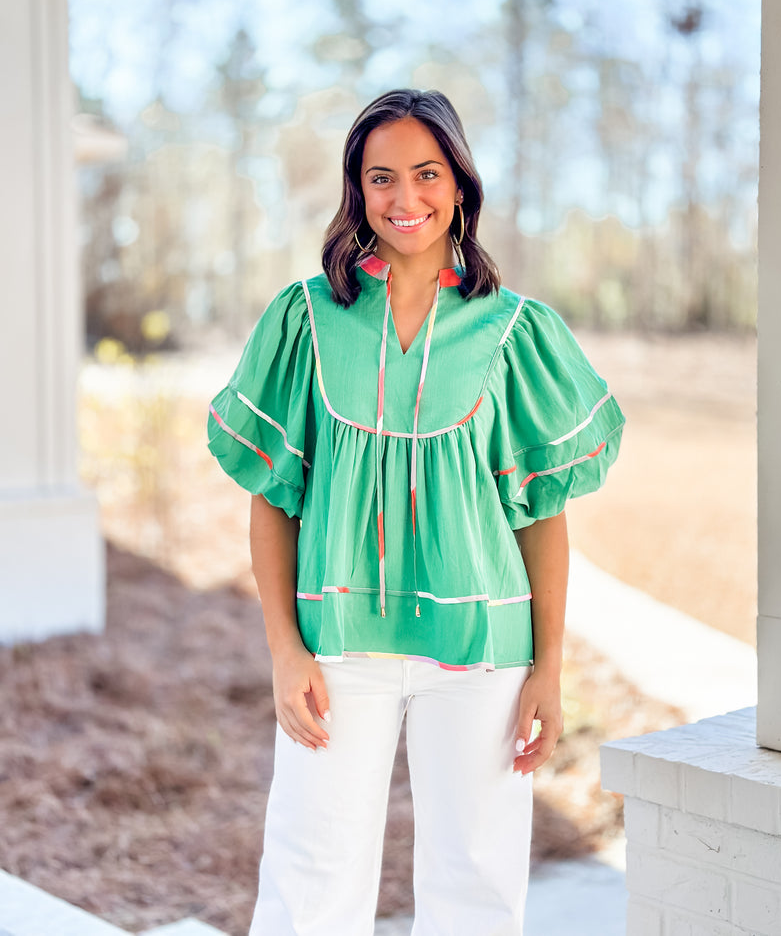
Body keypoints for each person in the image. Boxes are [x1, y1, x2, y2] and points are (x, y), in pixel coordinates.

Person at [207, 88, 624, 936]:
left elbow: (539, 515)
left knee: (476, 881)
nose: (406, 199)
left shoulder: (514, 331)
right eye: (382, 177)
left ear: (460, 185)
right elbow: (272, 500)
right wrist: (285, 650)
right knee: (309, 878)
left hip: (481, 648)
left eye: (427, 174)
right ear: (357, 191)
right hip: (337, 643)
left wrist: (547, 667)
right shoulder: (307, 319)